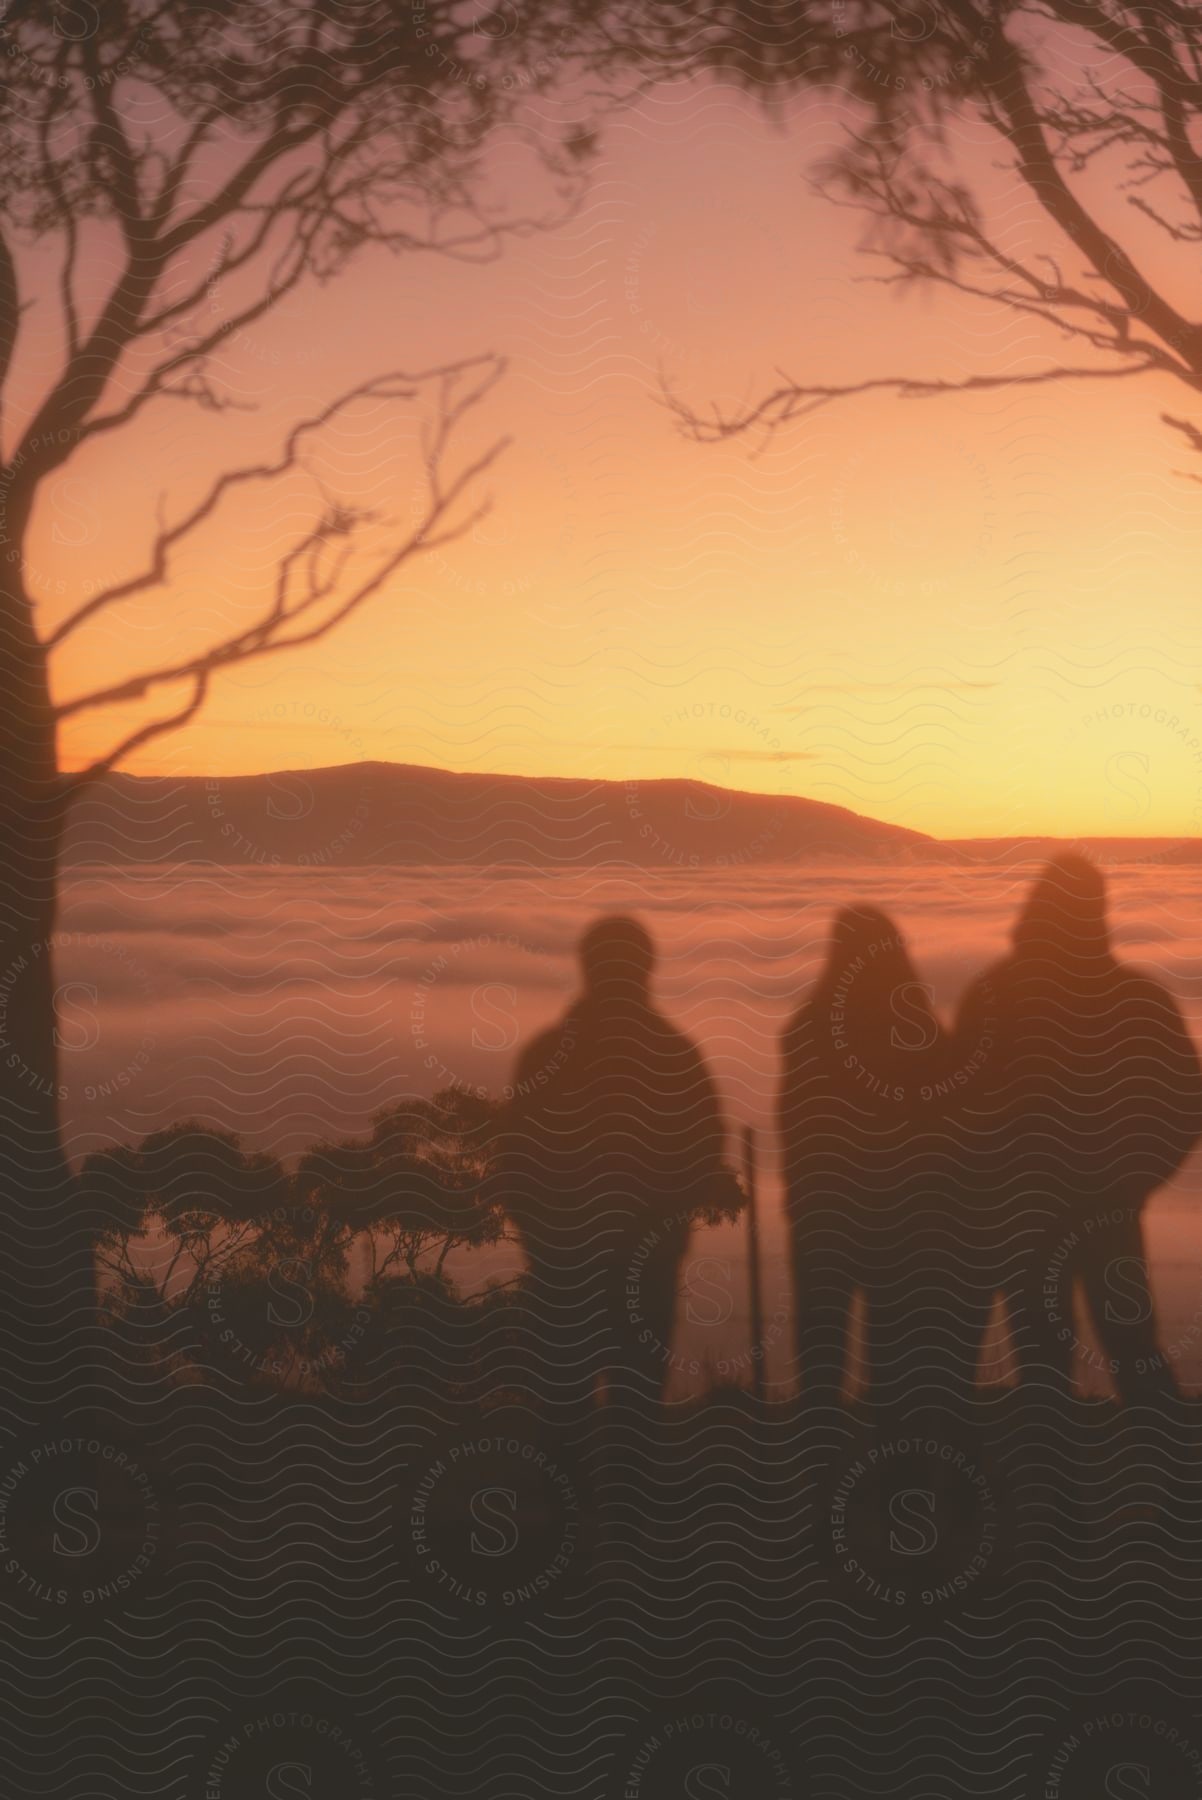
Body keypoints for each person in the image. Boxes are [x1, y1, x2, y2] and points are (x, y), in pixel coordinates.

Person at [953, 854, 1202, 1402]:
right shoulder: (1139, 1000)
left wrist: (983, 1185)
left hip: (1026, 1213)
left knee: (1044, 1360)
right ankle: (1166, 1478)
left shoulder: (994, 996)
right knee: (1134, 1350)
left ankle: (1048, 1483)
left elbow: (953, 1108)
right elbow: (1187, 1101)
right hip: (1098, 1209)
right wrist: (1135, 1180)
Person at [499, 914, 731, 1431]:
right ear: (647, 969)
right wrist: (665, 1224)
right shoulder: (675, 1055)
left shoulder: (546, 1054)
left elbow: (515, 1161)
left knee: (563, 1405)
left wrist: (542, 1237)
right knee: (636, 1403)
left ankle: (566, 1502)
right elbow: (705, 1152)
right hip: (642, 1265)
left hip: (564, 1264)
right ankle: (623, 1505)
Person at [778, 906, 983, 1413]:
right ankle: (893, 1469)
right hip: (902, 1217)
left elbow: (795, 1121)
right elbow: (947, 1120)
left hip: (823, 1214)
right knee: (895, 1352)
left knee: (821, 1348)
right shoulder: (919, 1031)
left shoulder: (807, 1027)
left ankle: (822, 1461)